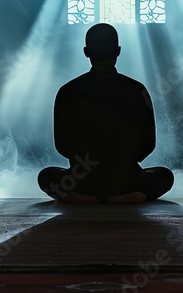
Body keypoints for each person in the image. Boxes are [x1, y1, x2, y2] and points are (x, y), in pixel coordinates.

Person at [38, 23, 174, 204]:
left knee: (46, 176)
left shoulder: (67, 91)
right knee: (164, 176)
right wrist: (122, 163)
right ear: (118, 51)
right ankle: (131, 195)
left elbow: (61, 145)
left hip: (81, 180)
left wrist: (87, 165)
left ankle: (83, 196)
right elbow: (149, 143)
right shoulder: (137, 90)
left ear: (86, 52)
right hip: (125, 179)